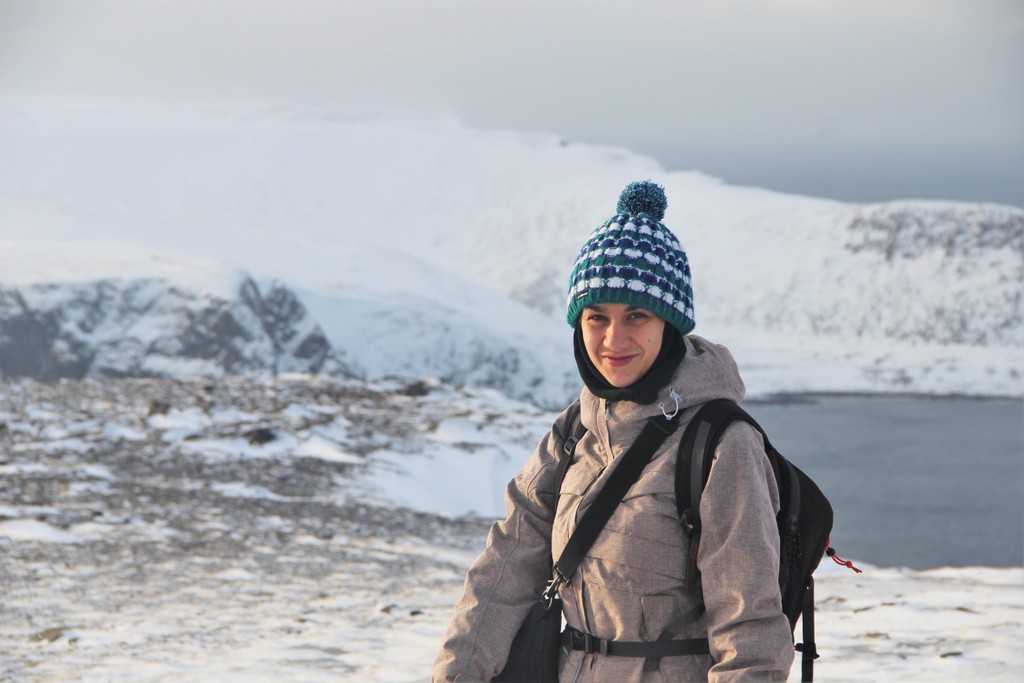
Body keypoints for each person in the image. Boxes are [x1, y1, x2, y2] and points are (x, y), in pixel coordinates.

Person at [432, 181, 794, 682]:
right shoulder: (574, 430)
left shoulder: (720, 445)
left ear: (668, 324)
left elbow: (750, 632)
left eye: (637, 316)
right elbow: (504, 571)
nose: (613, 339)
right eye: (596, 316)